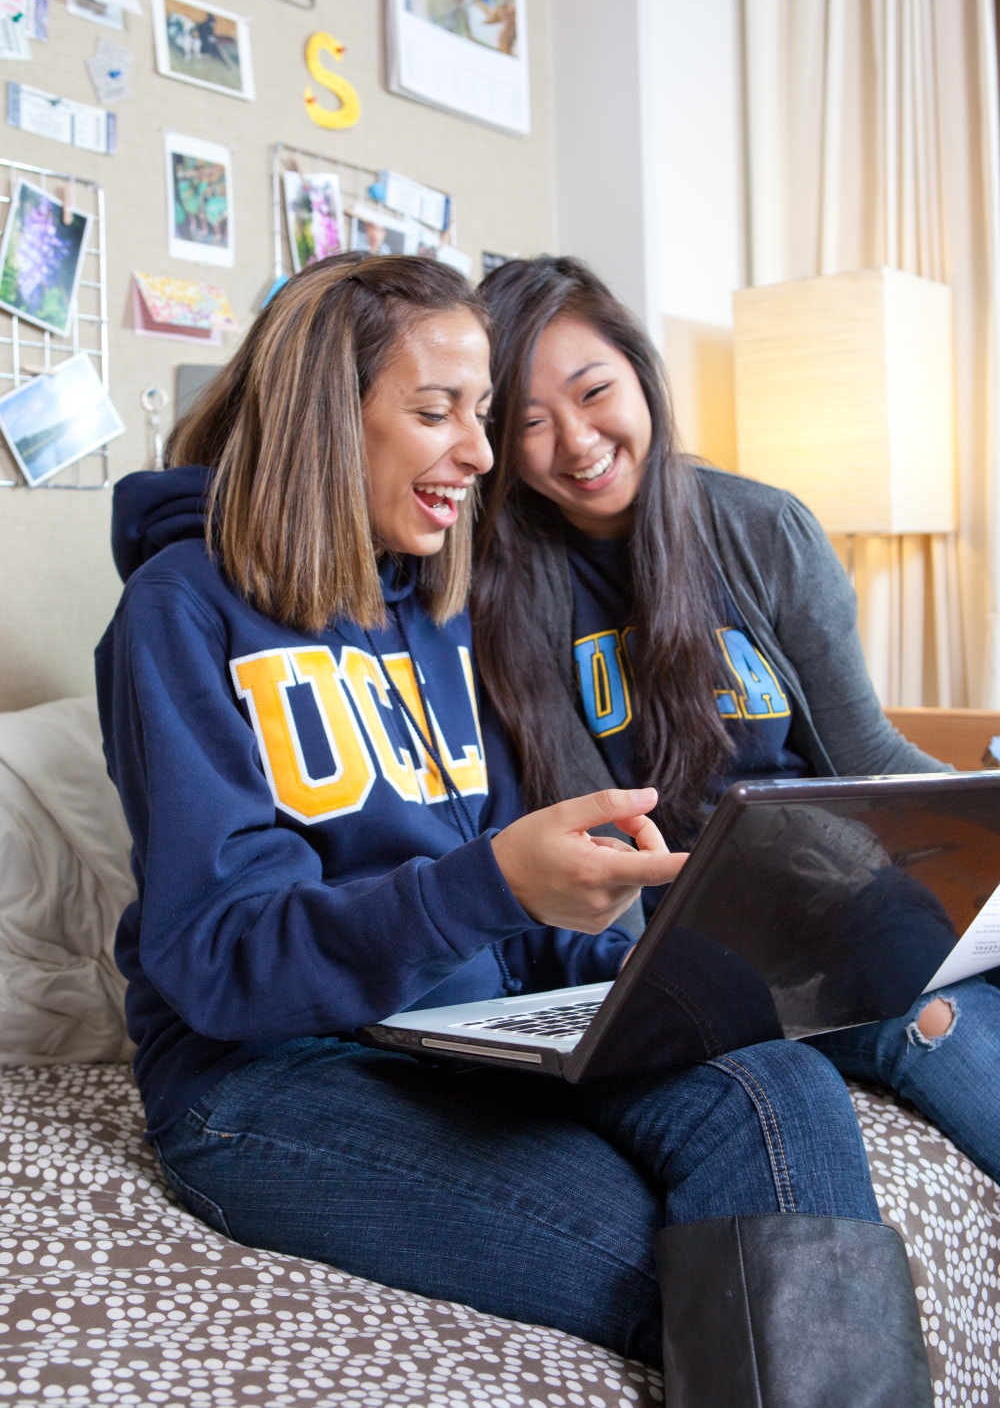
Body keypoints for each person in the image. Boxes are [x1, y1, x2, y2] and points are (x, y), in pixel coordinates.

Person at [97, 253, 931, 1408]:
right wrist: (490, 885)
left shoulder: (437, 613)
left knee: (777, 1083)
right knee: (698, 1263)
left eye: (479, 415)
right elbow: (223, 960)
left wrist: (642, 978)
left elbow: (517, 916)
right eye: (438, 412)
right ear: (326, 423)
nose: (483, 456)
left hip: (464, 1035)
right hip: (268, 1081)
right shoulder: (178, 613)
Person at [473, 250, 1000, 1293]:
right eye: (527, 422)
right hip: (701, 931)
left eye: (592, 393)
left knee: (924, 946)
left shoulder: (761, 529)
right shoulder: (502, 591)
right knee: (911, 1010)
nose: (574, 443)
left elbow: (866, 758)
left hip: (850, 882)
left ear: (639, 377)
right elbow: (600, 842)